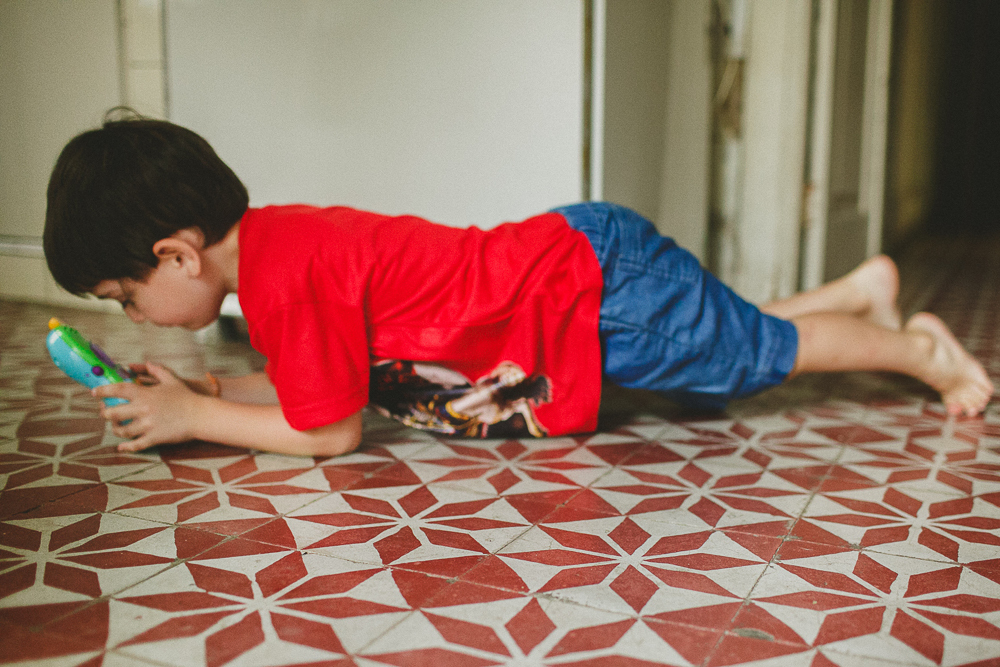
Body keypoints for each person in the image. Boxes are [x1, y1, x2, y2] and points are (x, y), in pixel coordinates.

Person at [43, 113, 994, 456]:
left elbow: (327, 429)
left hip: (588, 289)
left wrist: (197, 421)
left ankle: (922, 351)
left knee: (742, 355)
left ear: (178, 254)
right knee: (715, 333)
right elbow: (310, 380)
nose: (134, 315)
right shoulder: (281, 251)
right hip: (576, 268)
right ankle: (858, 292)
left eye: (125, 294)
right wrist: (212, 391)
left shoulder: (287, 275)